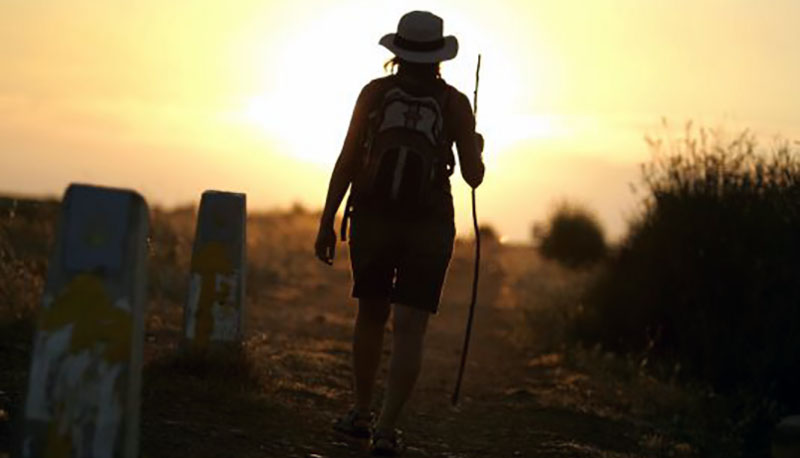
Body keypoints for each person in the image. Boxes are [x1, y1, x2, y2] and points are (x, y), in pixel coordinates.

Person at [314, 10, 485, 456]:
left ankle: (361, 413)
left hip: (372, 216)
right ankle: (388, 429)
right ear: (438, 56)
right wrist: (476, 144)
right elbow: (473, 177)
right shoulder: (454, 104)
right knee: (411, 327)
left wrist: (327, 220)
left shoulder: (374, 94)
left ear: (398, 51)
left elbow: (348, 159)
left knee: (371, 315)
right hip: (429, 225)